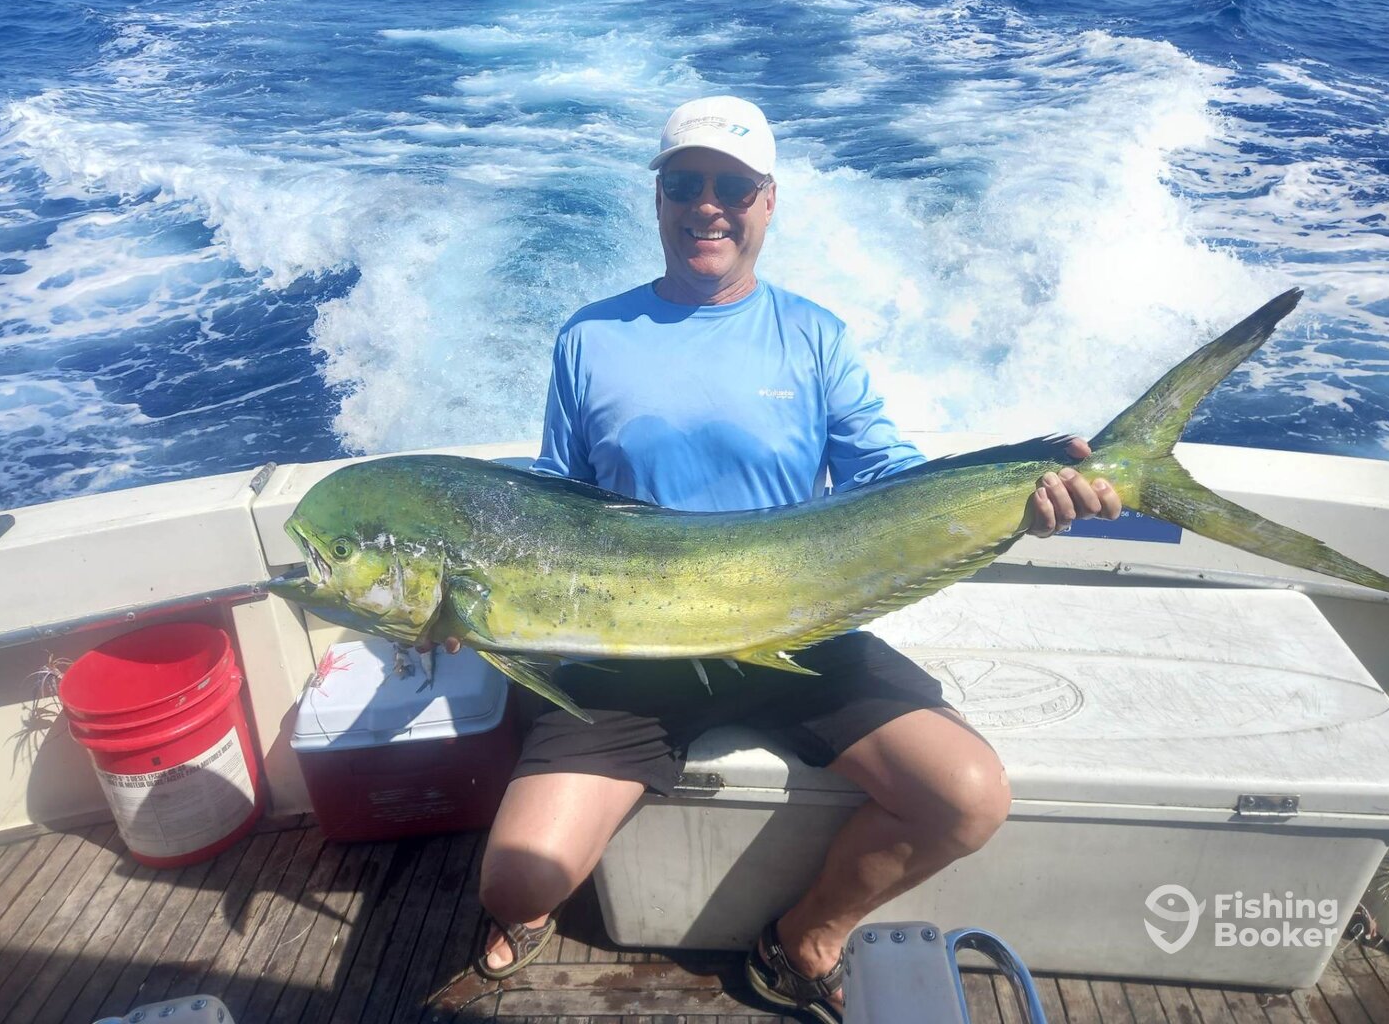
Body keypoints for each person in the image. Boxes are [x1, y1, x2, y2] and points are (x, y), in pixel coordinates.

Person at [467, 95, 1121, 1022]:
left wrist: (1022, 491)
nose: (707, 206)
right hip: (629, 650)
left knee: (967, 799)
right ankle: (532, 910)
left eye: (733, 188)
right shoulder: (589, 337)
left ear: (768, 203)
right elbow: (553, 501)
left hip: (797, 626)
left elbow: (886, 475)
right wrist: (467, 600)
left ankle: (805, 936)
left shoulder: (813, 335)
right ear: (657, 200)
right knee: (513, 882)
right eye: (684, 184)